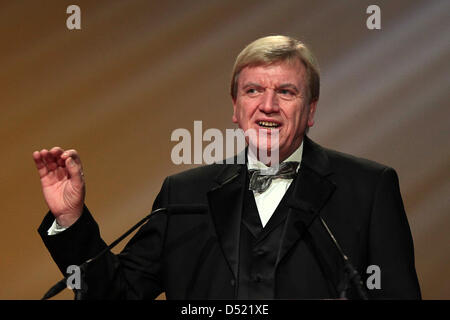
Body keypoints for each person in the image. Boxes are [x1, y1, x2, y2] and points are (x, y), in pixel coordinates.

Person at [34, 35, 421, 299]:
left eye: (286, 92)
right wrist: (71, 219)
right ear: (235, 108)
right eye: (253, 91)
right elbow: (117, 294)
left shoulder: (369, 188)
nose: (267, 105)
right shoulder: (182, 194)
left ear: (311, 111)